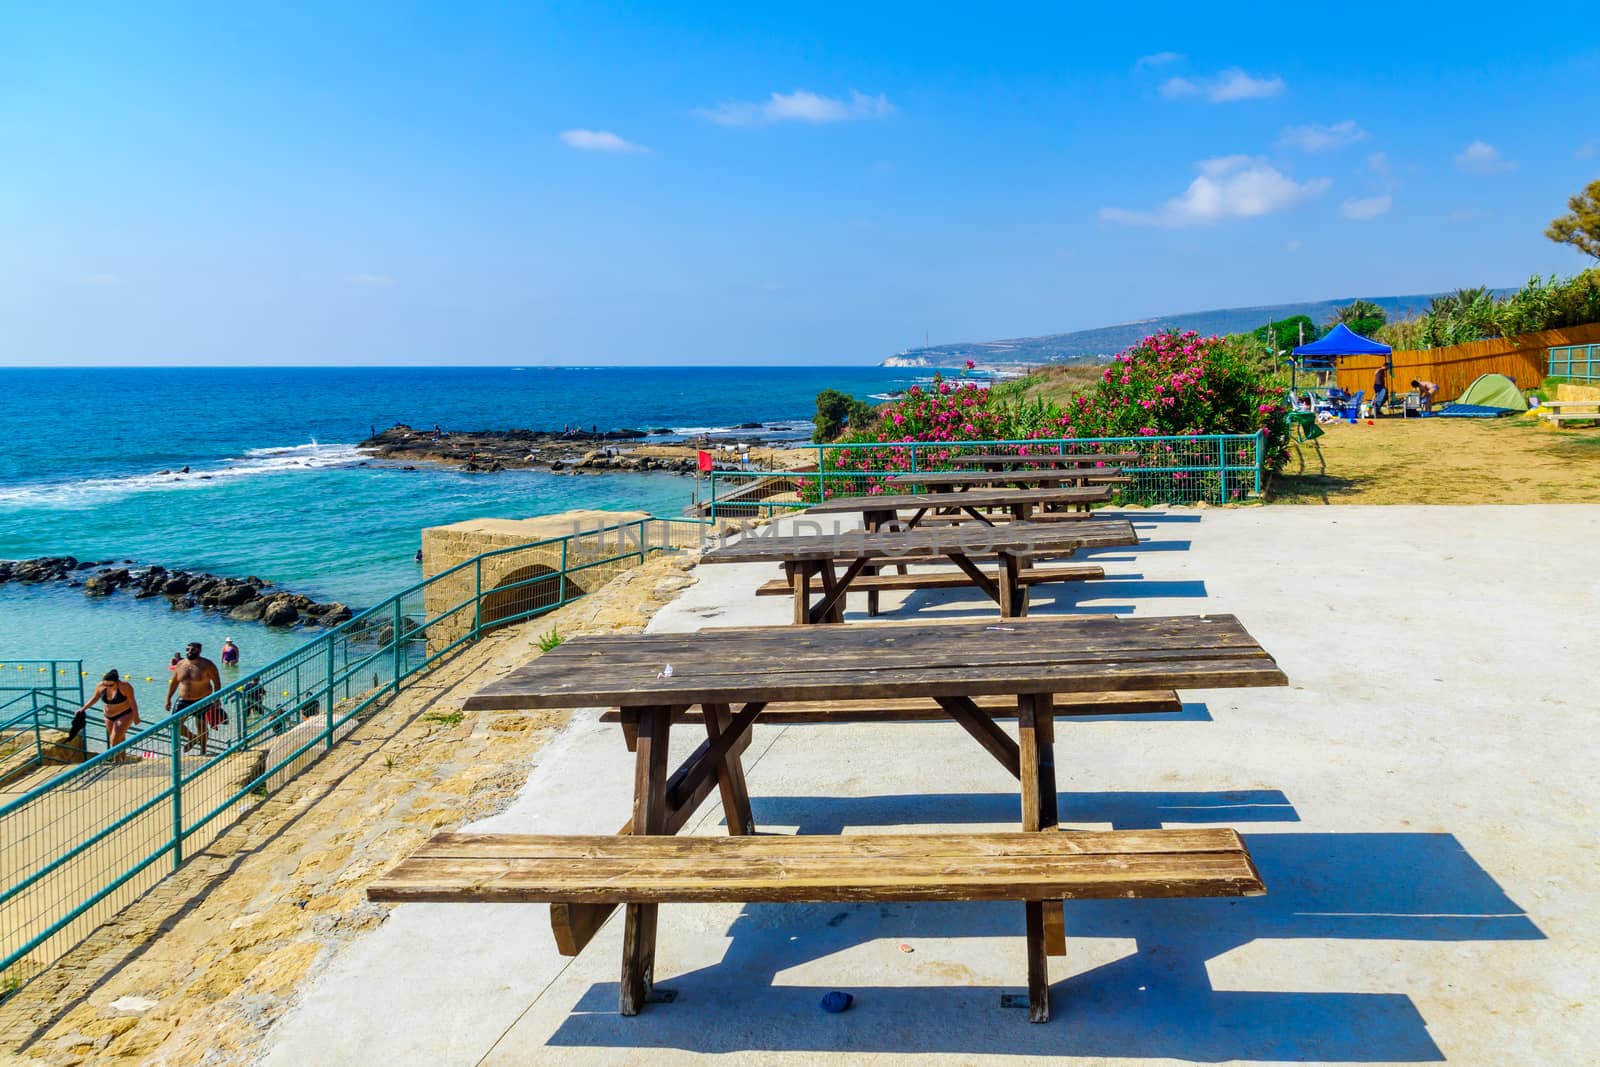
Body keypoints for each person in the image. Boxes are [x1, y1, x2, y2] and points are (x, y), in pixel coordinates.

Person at [166, 642, 223, 755]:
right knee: (174, 725)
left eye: (193, 650)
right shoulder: (180, 664)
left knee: (201, 726)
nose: (189, 652)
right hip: (183, 700)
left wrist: (217, 699)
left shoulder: (207, 665)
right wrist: (168, 699)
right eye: (187, 649)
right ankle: (192, 738)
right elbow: (174, 683)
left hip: (202, 699)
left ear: (199, 651)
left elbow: (217, 682)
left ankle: (203, 751)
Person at [75, 670, 140, 757]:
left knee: (114, 740)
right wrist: (83, 709)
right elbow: (95, 698)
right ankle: (122, 760)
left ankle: (116, 761)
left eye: (111, 685)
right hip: (108, 716)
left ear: (117, 682)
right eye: (106, 685)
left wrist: (136, 716)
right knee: (119, 739)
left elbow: (132, 702)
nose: (108, 687)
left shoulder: (125, 686)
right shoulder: (101, 686)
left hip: (124, 714)